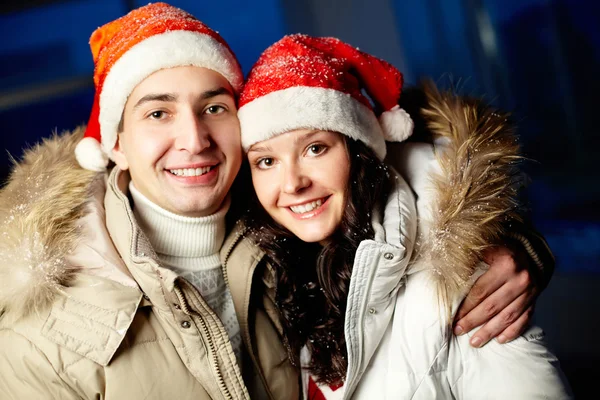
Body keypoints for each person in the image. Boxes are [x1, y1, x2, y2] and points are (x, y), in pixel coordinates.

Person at [0, 3, 554, 399]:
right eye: (157, 112)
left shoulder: (280, 227)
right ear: (114, 144)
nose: (194, 139)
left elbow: (394, 182)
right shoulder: (38, 334)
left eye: (215, 107)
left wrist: (502, 238)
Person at [238, 34, 572, 399]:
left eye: (315, 148)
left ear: (359, 151)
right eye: (266, 161)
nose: (292, 183)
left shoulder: (461, 277)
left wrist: (518, 240)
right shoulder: (282, 273)